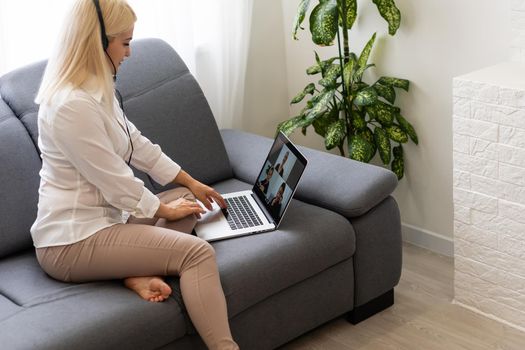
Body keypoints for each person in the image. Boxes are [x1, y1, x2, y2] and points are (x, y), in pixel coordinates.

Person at [30, 1, 239, 349]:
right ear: (96, 42)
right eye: (125, 43)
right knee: (196, 253)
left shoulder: (94, 89)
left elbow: (136, 144)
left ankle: (133, 272)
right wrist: (164, 211)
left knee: (185, 202)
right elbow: (114, 179)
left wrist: (189, 181)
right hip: (71, 241)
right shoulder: (70, 106)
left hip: (107, 222)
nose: (129, 52)